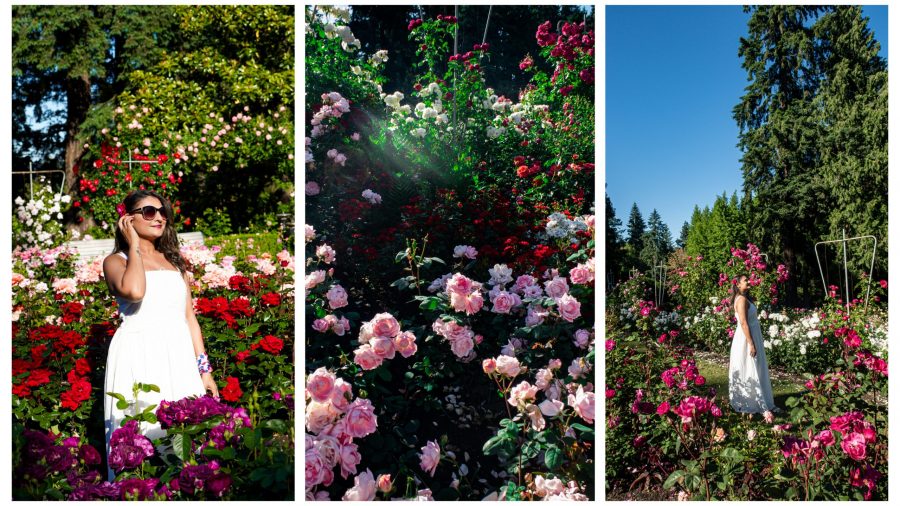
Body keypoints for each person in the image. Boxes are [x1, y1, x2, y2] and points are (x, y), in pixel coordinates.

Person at [102, 190, 218, 479]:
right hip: (138, 354)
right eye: (149, 211)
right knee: (141, 436)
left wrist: (205, 371)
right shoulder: (115, 262)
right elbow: (135, 291)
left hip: (178, 356)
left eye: (163, 211)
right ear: (127, 219)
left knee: (186, 440)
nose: (159, 217)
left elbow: (190, 318)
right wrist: (133, 246)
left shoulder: (174, 263)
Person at [728, 274, 776, 422]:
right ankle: (750, 403)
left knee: (754, 367)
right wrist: (751, 343)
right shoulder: (741, 299)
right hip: (746, 338)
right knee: (750, 367)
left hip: (751, 336)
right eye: (745, 280)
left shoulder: (744, 298)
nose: (749, 282)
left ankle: (754, 400)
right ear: (738, 284)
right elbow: (743, 322)